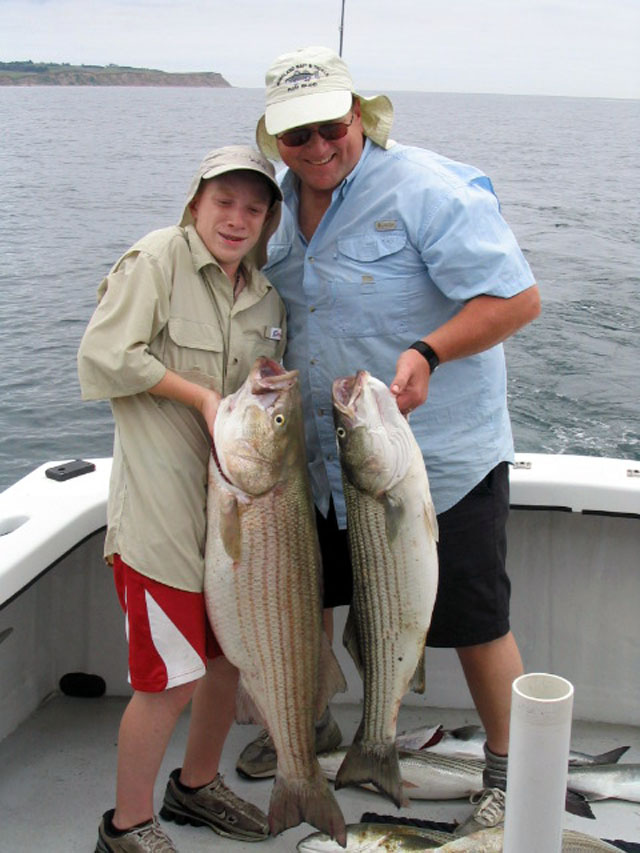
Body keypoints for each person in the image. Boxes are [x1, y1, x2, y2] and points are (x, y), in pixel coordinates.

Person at [236, 46, 541, 836]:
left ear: (359, 114)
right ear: (275, 140)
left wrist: (428, 352)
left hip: (433, 462)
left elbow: (516, 298)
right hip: (320, 458)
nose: (317, 146)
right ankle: (317, 736)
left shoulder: (427, 189)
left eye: (329, 126)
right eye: (295, 135)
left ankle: (505, 772)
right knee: (310, 603)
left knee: (474, 620)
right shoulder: (272, 205)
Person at [78, 145, 287, 852]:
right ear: (195, 203)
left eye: (253, 208)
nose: (236, 219)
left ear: (269, 220)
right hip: (163, 521)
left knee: (228, 664)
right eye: (223, 202)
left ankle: (196, 786)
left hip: (233, 530)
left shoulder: (266, 296)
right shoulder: (157, 258)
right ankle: (128, 825)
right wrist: (198, 393)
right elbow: (104, 356)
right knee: (169, 680)